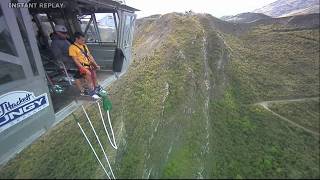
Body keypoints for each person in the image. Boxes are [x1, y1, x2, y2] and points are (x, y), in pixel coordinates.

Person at [50, 25, 84, 94]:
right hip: (67, 62)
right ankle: (81, 89)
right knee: (82, 70)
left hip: (74, 59)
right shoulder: (55, 43)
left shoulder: (66, 40)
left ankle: (86, 85)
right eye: (63, 33)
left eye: (65, 33)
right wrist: (73, 59)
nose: (65, 34)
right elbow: (58, 57)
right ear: (57, 33)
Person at [69, 32, 104, 99]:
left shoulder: (84, 45)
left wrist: (96, 65)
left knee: (94, 76)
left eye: (84, 40)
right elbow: (75, 60)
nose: (83, 41)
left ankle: (97, 88)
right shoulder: (72, 47)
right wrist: (84, 69)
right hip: (82, 66)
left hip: (89, 64)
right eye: (82, 40)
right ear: (77, 39)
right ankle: (92, 92)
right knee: (89, 79)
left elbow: (89, 55)